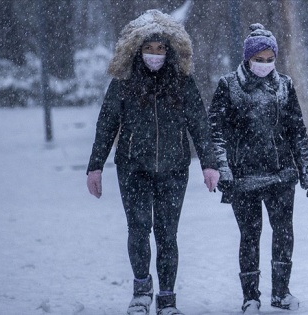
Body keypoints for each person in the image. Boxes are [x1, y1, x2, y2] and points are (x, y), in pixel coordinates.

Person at [86, 10, 220, 315]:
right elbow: (106, 125)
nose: (155, 55)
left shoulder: (183, 82)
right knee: (138, 229)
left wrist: (209, 163)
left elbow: (199, 123)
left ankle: (168, 298)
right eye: (149, 48)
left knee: (167, 234)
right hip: (133, 169)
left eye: (161, 49)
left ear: (170, 51)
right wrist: (95, 166)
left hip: (173, 170)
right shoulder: (124, 83)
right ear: (137, 50)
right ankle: (141, 292)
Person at [208, 23, 308, 314]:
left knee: (284, 232)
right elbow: (216, 133)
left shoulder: (284, 85)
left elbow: (297, 130)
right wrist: (224, 170)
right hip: (243, 177)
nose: (265, 64)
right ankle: (250, 297)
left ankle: (281, 293)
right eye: (259, 59)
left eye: (270, 58)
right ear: (248, 58)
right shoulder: (228, 86)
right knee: (250, 235)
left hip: (281, 175)